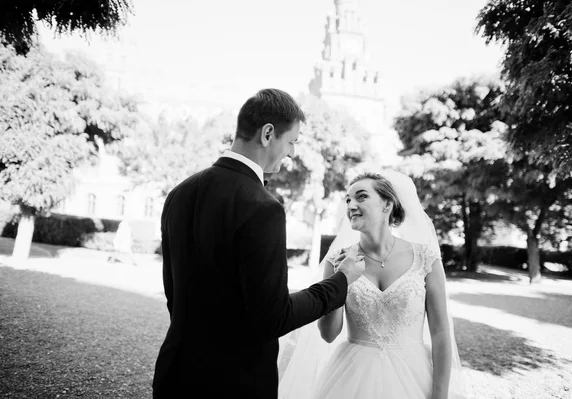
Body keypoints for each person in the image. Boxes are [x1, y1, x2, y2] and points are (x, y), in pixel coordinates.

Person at [152, 88, 365, 399]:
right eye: (291, 142)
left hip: (175, 374)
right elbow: (272, 317)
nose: (292, 153)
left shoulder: (179, 193)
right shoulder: (262, 207)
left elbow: (174, 295)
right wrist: (340, 281)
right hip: (233, 384)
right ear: (268, 134)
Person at [278, 171, 465, 399]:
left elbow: (440, 332)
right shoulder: (338, 260)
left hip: (415, 377)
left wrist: (440, 394)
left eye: (361, 197)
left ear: (387, 205)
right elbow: (328, 334)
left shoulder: (426, 259)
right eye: (348, 199)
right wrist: (341, 279)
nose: (351, 205)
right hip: (350, 379)